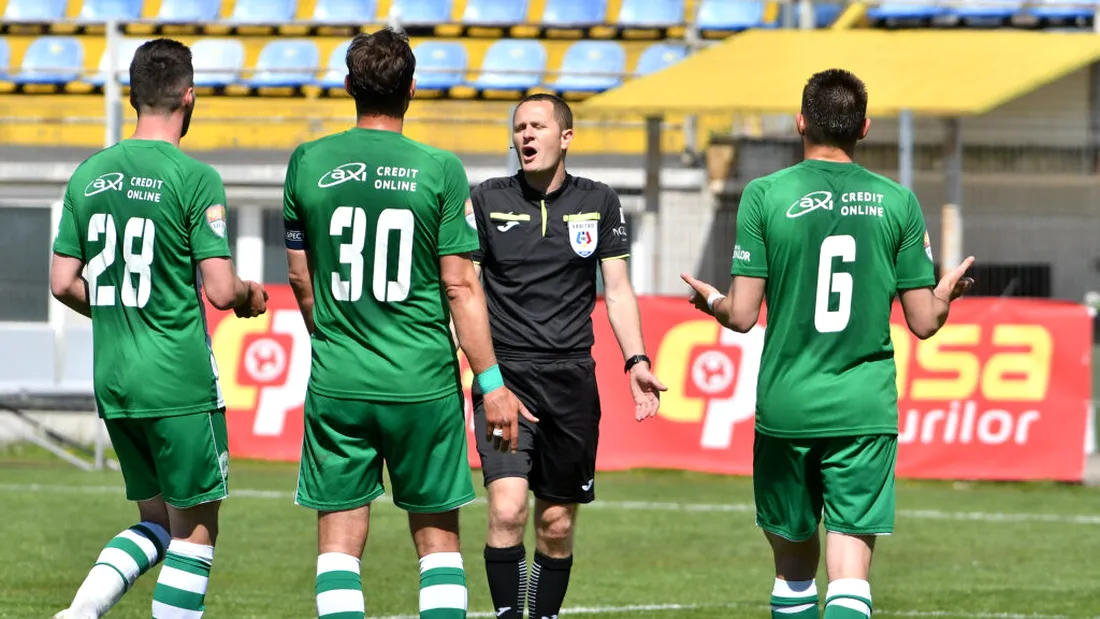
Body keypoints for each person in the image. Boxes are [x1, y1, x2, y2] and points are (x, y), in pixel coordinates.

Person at [681, 69, 975, 619]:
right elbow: (924, 322)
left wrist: (712, 302)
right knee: (850, 578)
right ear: (863, 127)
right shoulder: (898, 202)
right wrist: (945, 292)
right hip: (863, 412)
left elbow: (742, 317)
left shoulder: (764, 196)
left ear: (800, 123)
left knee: (793, 575)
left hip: (787, 409)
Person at [282, 28, 529, 619]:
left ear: (348, 87)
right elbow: (461, 285)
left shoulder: (309, 160)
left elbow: (298, 276)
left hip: (339, 379)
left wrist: (334, 338)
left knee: (339, 547)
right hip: (422, 383)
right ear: (413, 89)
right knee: (438, 544)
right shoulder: (438, 168)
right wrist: (492, 383)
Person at [49, 38, 267, 619]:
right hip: (177, 380)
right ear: (189, 97)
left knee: (155, 522)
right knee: (195, 532)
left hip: (116, 378)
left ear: (132, 95)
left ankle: (78, 612)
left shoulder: (90, 174)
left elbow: (63, 281)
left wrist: (124, 309)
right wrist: (252, 296)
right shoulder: (194, 178)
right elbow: (221, 291)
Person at [469, 93, 667, 619]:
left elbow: (618, 291)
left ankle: (543, 615)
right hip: (505, 378)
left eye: (537, 126)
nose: (526, 136)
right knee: (508, 509)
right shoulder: (485, 200)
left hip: (571, 383)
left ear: (566, 136)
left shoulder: (600, 201)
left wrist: (636, 361)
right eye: (518, 128)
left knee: (555, 524)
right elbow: (463, 292)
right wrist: (481, 377)